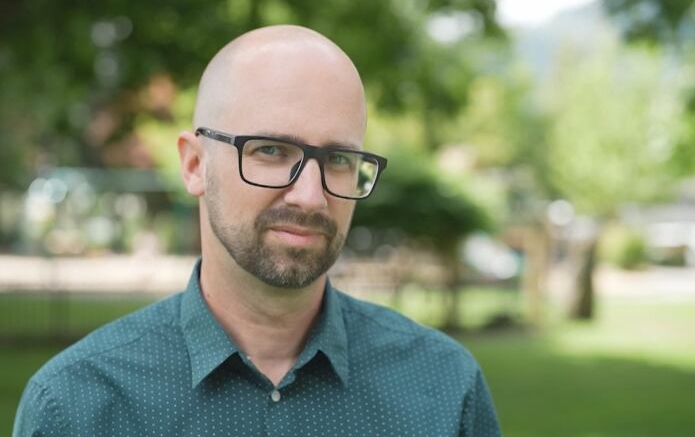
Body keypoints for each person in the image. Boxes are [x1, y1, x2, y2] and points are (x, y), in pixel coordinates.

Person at [14, 25, 500, 436]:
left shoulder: (443, 388)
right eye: (270, 151)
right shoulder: (77, 406)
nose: (310, 196)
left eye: (338, 159)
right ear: (194, 165)